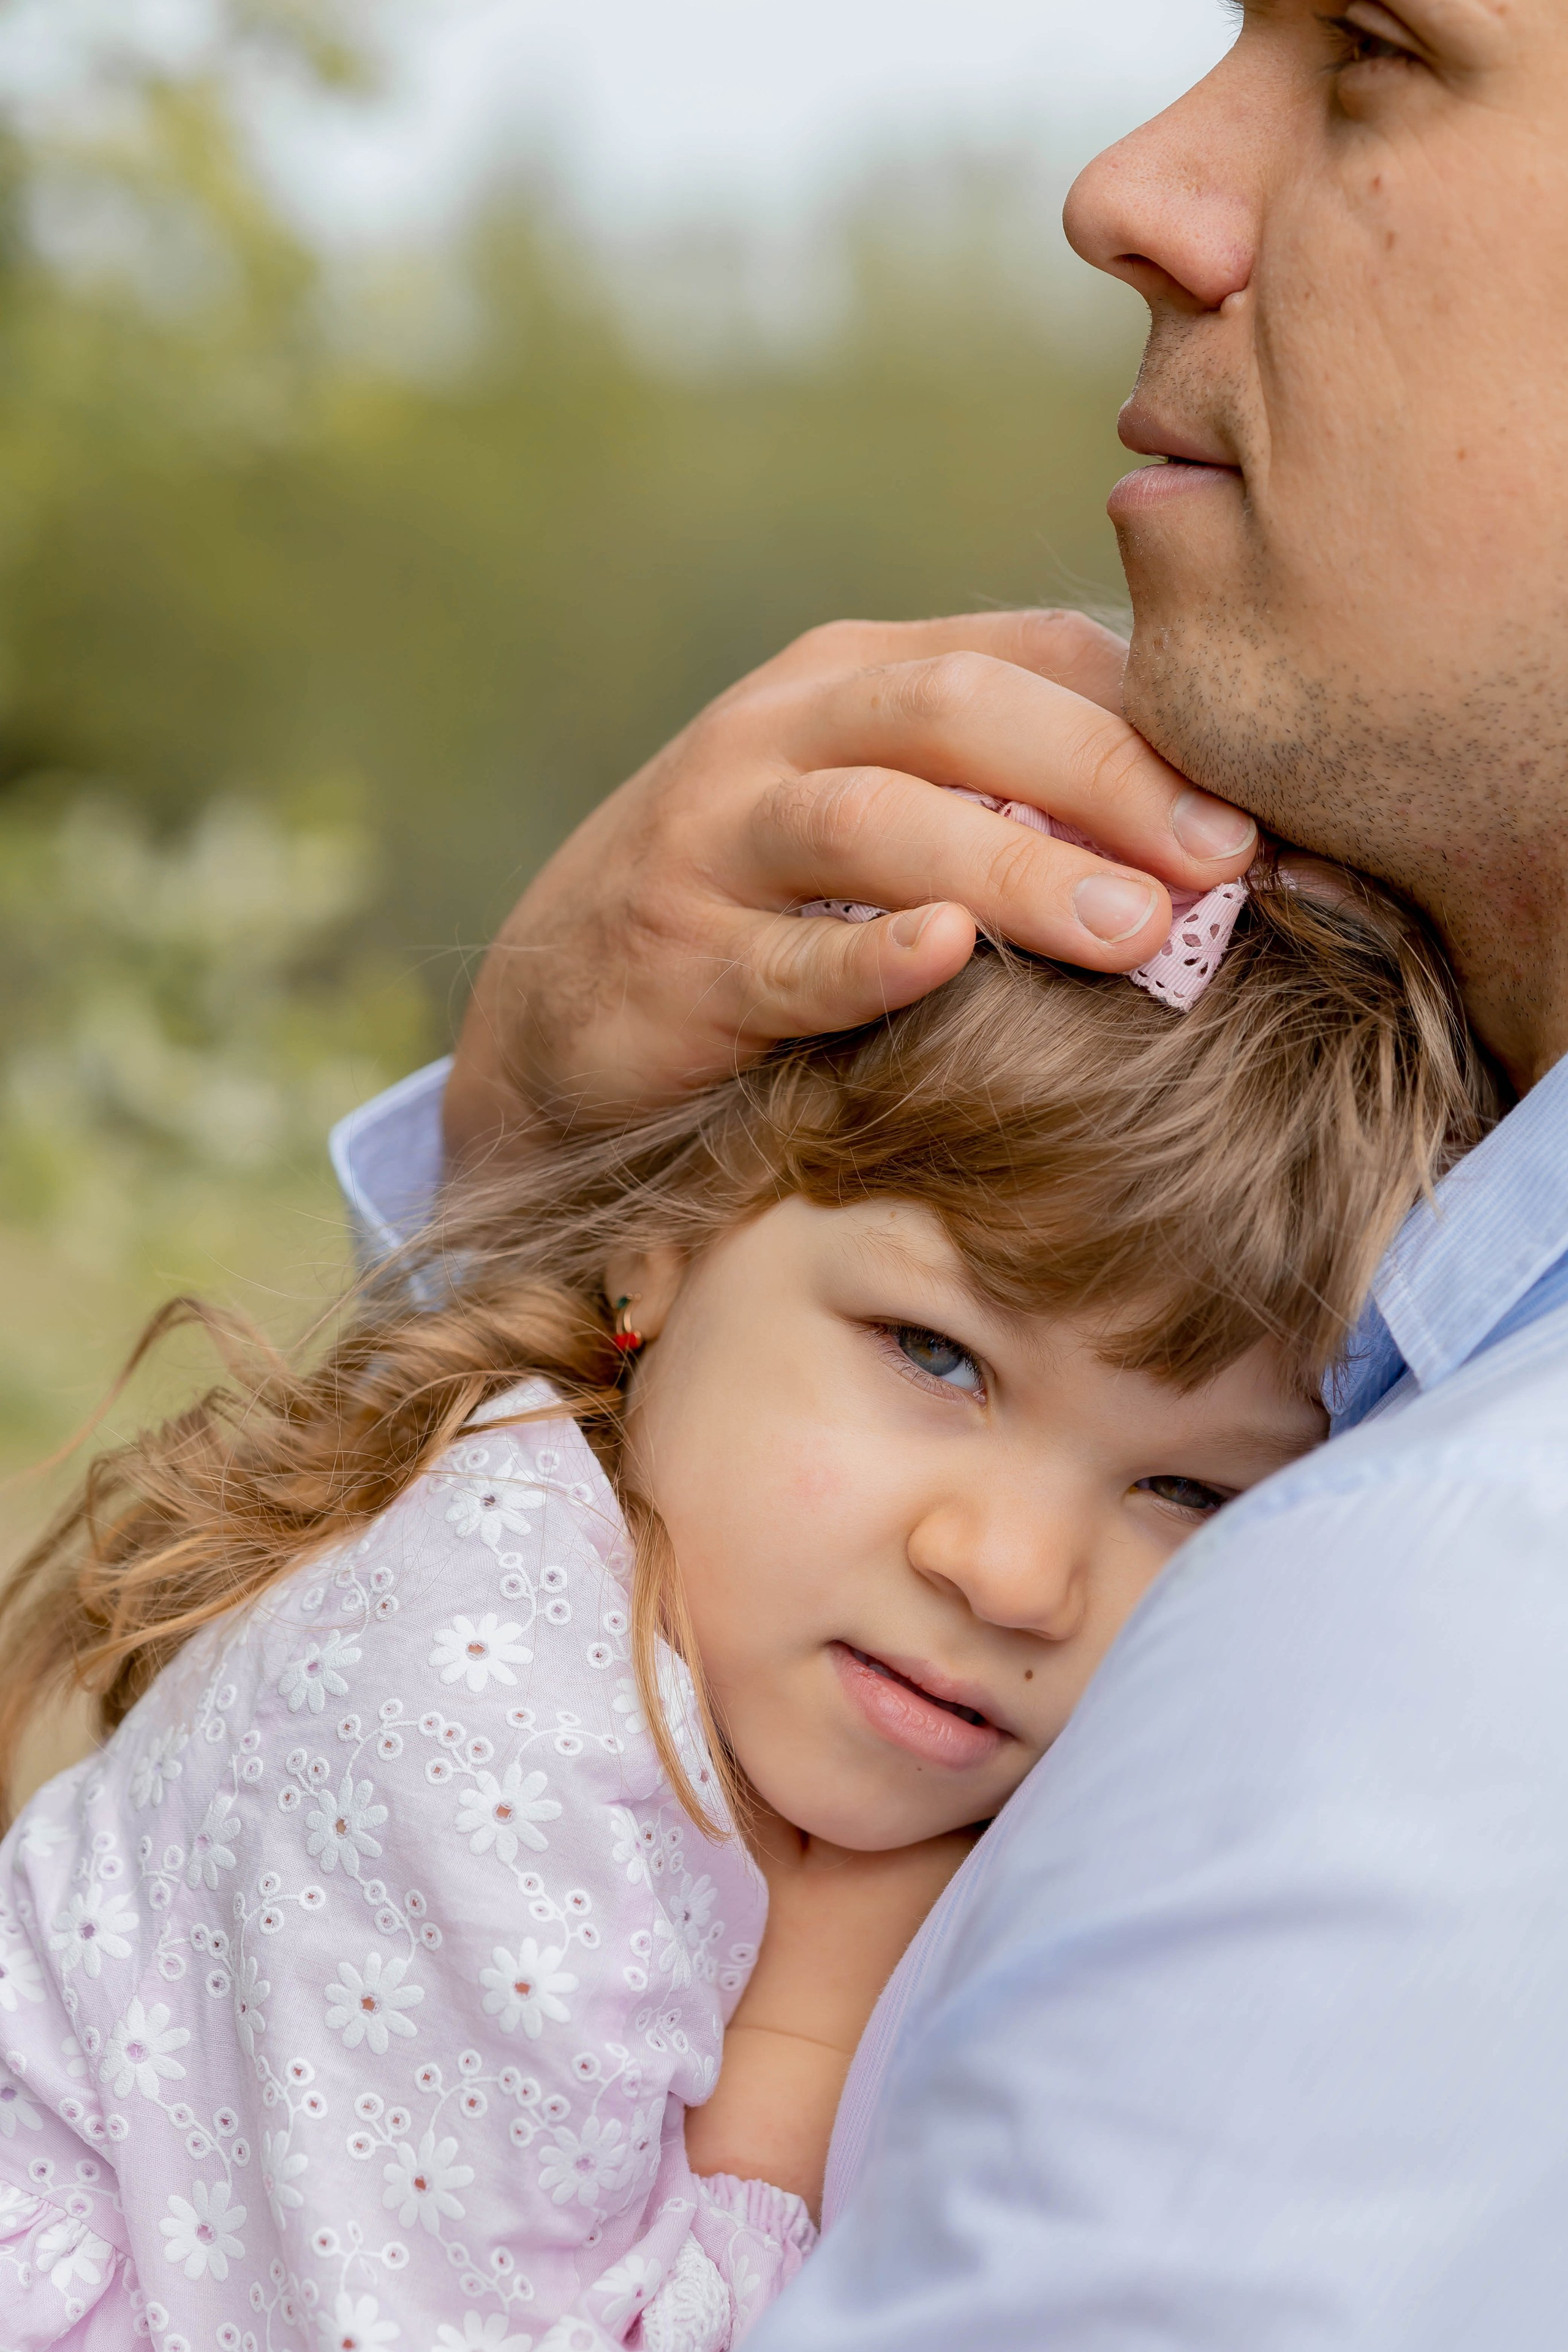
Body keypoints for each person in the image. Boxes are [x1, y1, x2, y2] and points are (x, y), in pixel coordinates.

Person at [337, 2, 1568, 2342]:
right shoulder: (1418, 1374)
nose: (1134, 185)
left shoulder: (1457, 1613)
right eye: (936, 1351)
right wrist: (529, 1162)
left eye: (1381, 47)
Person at [0, 834, 1486, 2345]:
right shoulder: (471, 1707)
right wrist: (799, 2052)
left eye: (1185, 1490)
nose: (1014, 1575)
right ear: (663, 1242)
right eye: (935, 1353)